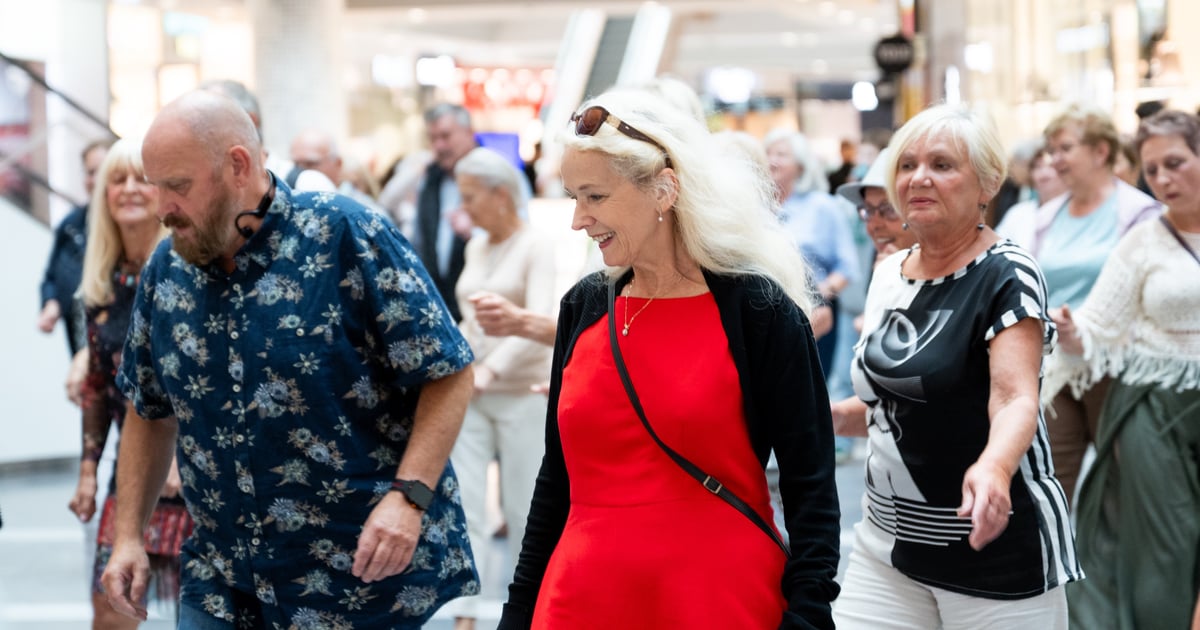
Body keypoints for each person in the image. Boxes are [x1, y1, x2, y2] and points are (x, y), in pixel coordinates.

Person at [99, 90, 479, 628]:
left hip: (354, 578)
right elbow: (149, 407)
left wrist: (410, 497)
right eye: (156, 186)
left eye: (177, 187)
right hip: (223, 580)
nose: (163, 209)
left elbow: (448, 369)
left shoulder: (346, 233)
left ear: (238, 165)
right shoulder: (168, 269)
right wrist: (129, 538)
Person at [498, 88, 841, 629]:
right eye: (573, 197)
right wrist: (517, 612)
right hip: (580, 598)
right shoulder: (584, 306)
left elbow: (811, 485)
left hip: (717, 598)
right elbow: (556, 481)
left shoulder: (758, 310)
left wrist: (809, 612)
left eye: (595, 196)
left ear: (663, 189)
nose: (578, 220)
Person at [829, 103, 1080, 629]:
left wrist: (994, 467)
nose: (919, 177)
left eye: (942, 165)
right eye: (907, 164)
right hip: (889, 546)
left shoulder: (1007, 272)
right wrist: (818, 415)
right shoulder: (890, 272)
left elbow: (1014, 396)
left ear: (987, 183)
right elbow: (883, 406)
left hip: (994, 549)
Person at [1047, 109, 1200, 630]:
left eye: (1175, 163)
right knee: (1168, 545)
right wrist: (1070, 331)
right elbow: (1098, 324)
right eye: (1152, 169)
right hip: (1155, 410)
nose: (1162, 179)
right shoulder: (1144, 241)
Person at [65, 137, 187, 630]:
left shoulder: (187, 270)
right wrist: (89, 471)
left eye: (142, 179)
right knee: (110, 608)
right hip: (133, 473)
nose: (130, 190)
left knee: (204, 614)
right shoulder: (102, 284)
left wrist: (178, 456)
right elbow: (97, 384)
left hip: (198, 476)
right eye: (118, 180)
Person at [443, 147, 556, 630]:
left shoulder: (537, 245)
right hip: (473, 393)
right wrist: (461, 364)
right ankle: (467, 616)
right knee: (466, 504)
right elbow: (471, 321)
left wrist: (490, 371)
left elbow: (541, 320)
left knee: (523, 507)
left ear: (501, 194)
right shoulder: (477, 245)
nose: (464, 208)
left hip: (522, 391)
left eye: (471, 197)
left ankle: (525, 614)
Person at [1035, 104, 1161, 506]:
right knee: (1051, 479)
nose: (1054, 160)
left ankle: (1116, 568)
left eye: (1064, 148)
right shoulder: (1047, 216)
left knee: (1123, 485)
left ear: (1100, 152)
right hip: (1057, 366)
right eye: (1051, 150)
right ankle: (1055, 567)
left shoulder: (1140, 214)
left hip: (1116, 366)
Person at [764, 129, 860, 371]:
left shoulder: (823, 207)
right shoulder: (757, 206)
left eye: (781, 154)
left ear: (801, 165)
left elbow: (847, 264)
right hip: (766, 313)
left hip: (815, 311)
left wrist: (819, 294)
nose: (771, 159)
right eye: (767, 152)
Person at [39, 139, 111, 357]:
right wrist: (52, 303)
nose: (96, 179)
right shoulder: (71, 225)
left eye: (104, 170)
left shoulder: (131, 227)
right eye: (90, 172)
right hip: (79, 344)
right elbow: (51, 276)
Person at [412, 103, 481, 323]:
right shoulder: (431, 179)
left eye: (445, 136)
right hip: (438, 307)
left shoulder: (494, 175)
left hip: (481, 310)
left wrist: (476, 235)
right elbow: (421, 240)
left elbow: (518, 236)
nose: (439, 146)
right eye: (432, 139)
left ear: (469, 133)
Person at [995, 145, 1066, 249]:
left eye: (1051, 166)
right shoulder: (1018, 212)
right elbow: (997, 246)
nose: (1044, 173)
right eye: (1038, 167)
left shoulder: (1074, 210)